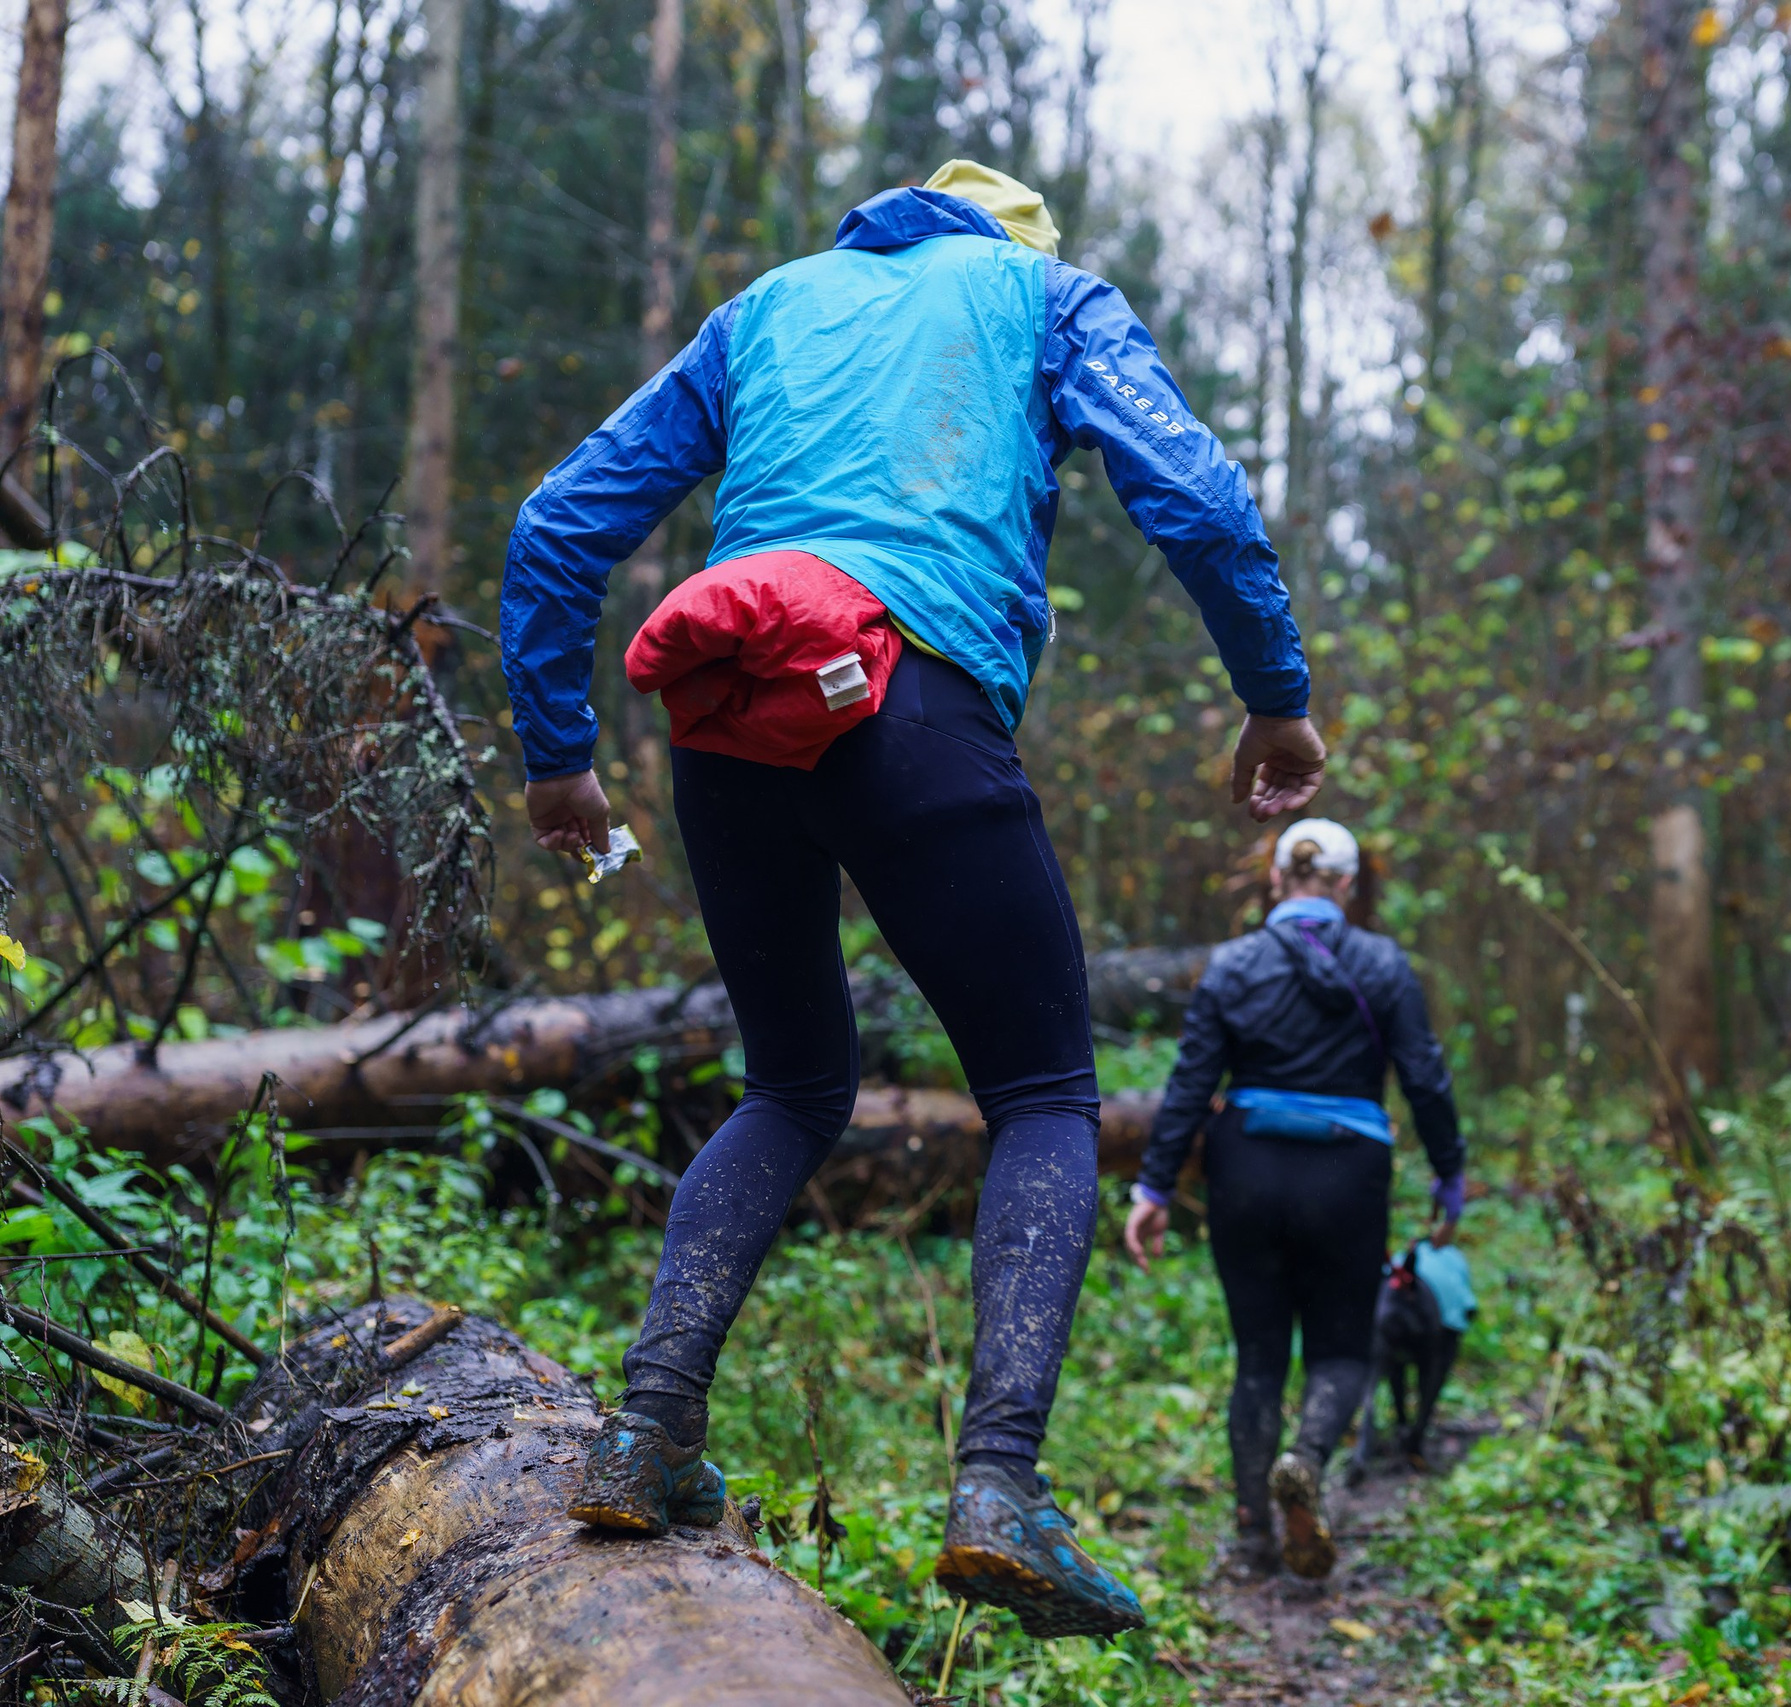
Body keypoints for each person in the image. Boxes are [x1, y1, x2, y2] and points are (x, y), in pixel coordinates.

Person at [499, 160, 1327, 1640]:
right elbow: (1193, 493)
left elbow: (558, 522)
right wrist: (1276, 698)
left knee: (794, 1080)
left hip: (723, 721)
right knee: (1044, 1089)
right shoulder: (1044, 293)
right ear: (1016, 241)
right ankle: (999, 1485)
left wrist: (559, 756)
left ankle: (642, 1433)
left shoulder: (766, 310)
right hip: (912, 700)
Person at [1122, 819, 1466, 1580]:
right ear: (1346, 886)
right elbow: (1425, 1077)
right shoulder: (1382, 962)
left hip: (1245, 1170)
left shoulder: (1234, 964)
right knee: (1341, 1350)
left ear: (1276, 878)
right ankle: (1305, 1457)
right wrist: (1450, 1175)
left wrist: (1153, 1185)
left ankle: (1251, 1541)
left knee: (1258, 1357)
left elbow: (1189, 1085)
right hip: (1348, 1174)